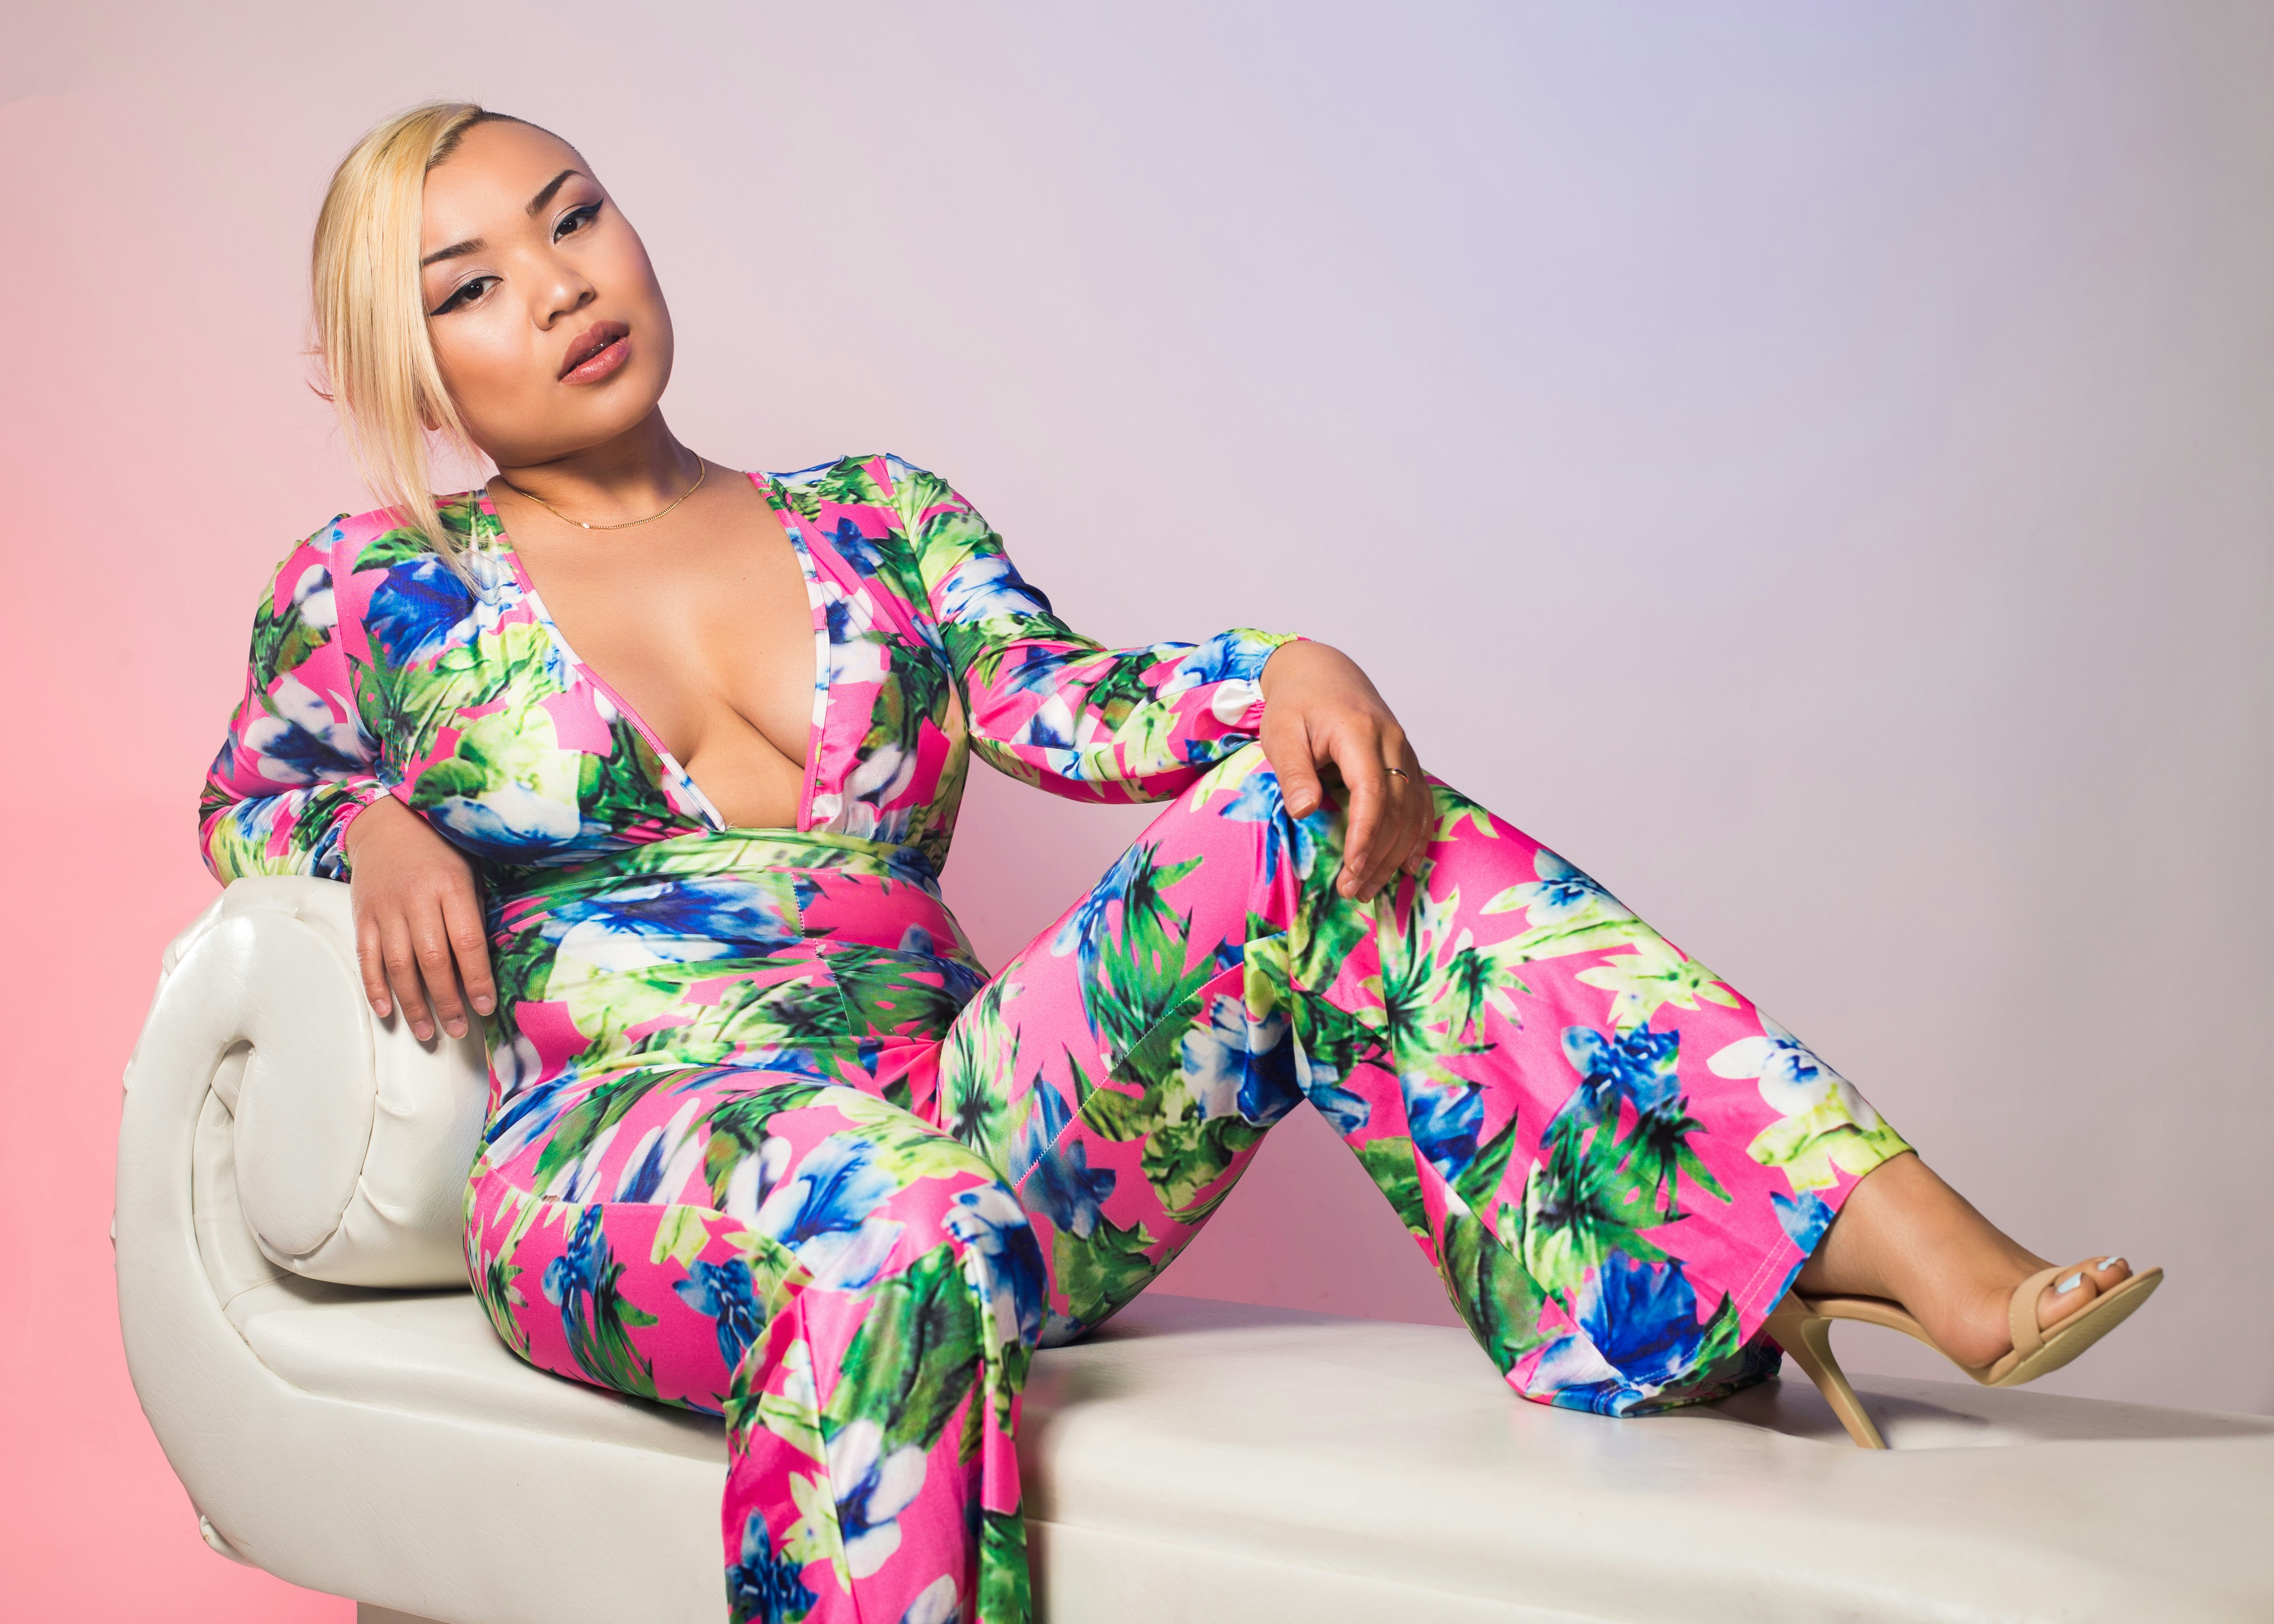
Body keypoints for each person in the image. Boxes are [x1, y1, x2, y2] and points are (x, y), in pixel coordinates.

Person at [198, 102, 2159, 1624]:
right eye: (469, 286)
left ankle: (1843, 1228)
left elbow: (1071, 701)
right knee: (885, 1221)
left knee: (1313, 811)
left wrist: (1274, 671)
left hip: (952, 1106)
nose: (557, 286)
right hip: (641, 1142)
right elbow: (247, 796)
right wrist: (365, 819)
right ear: (407, 366)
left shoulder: (878, 515)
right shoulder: (377, 580)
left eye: (574, 217)